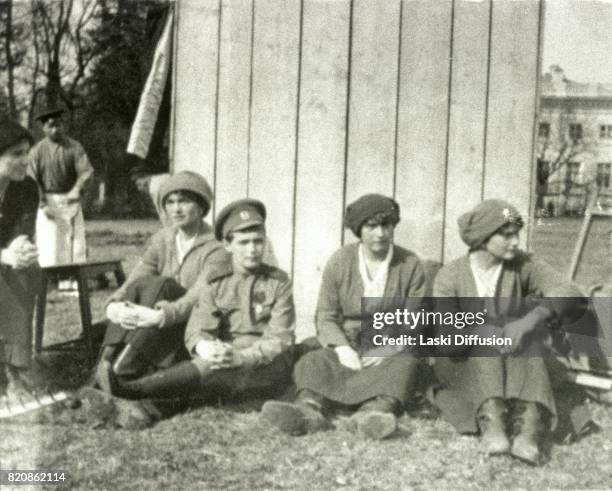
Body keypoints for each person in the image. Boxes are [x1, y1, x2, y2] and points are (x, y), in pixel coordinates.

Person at [89, 199, 295, 427]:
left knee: (213, 369)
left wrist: (242, 357)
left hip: (267, 364)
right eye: (244, 242)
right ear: (228, 245)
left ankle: (129, 390)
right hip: (222, 359)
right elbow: (197, 328)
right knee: (210, 366)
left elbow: (280, 338)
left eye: (258, 241)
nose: (253, 250)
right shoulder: (215, 280)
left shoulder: (279, 282)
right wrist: (204, 346)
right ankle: (141, 402)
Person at [431, 199, 592, 465]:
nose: (516, 241)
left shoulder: (523, 265)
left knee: (529, 340)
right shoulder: (450, 276)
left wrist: (531, 319)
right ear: (483, 238)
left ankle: (530, 427)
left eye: (516, 234)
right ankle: (492, 420)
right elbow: (448, 339)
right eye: (506, 235)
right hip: (464, 360)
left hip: (516, 357)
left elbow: (571, 293)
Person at [261, 194, 427, 439]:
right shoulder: (340, 261)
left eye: (386, 225)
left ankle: (371, 415)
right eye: (371, 226)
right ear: (359, 229)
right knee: (313, 360)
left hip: (389, 346)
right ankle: (308, 411)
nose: (380, 233)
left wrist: (390, 347)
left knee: (405, 365)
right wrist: (342, 348)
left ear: (393, 226)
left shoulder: (409, 263)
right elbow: (326, 315)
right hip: (348, 341)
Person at [95, 171, 225, 389]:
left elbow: (198, 295)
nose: (176, 209)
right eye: (171, 202)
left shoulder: (216, 247)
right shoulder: (162, 239)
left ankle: (119, 370)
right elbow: (137, 278)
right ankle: (106, 362)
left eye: (184, 201)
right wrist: (115, 304)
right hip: (153, 323)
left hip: (190, 325)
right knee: (143, 286)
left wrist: (160, 315)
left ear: (201, 206)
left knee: (162, 285)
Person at [0, 116, 40, 402]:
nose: (25, 160)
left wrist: (22, 251)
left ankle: (16, 368)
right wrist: (5, 254)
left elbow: (22, 233)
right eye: (17, 154)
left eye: (27, 152)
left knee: (26, 271)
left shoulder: (26, 188)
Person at [28, 107, 93, 271]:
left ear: (63, 125)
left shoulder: (74, 147)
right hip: (47, 201)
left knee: (75, 244)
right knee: (49, 244)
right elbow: (32, 179)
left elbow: (86, 171)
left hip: (70, 199)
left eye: (58, 125)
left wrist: (76, 189)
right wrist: (42, 204)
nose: (55, 129)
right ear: (44, 128)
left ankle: (73, 283)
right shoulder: (37, 151)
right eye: (50, 126)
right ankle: (48, 284)